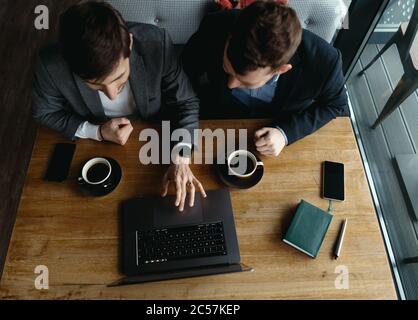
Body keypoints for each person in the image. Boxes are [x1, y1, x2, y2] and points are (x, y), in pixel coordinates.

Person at [32, 1, 206, 211]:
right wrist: (97, 132)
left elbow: (186, 102)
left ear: (130, 44)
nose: (113, 95)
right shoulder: (49, 65)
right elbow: (44, 113)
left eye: (120, 78)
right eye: (96, 85)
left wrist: (181, 157)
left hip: (155, 132)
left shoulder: (157, 43)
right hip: (97, 149)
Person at [183, 0, 349, 157]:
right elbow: (184, 73)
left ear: (281, 69)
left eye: (245, 82)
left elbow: (336, 105)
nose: (231, 84)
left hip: (279, 126)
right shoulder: (215, 26)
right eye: (227, 70)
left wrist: (285, 134)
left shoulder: (325, 62)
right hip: (214, 117)